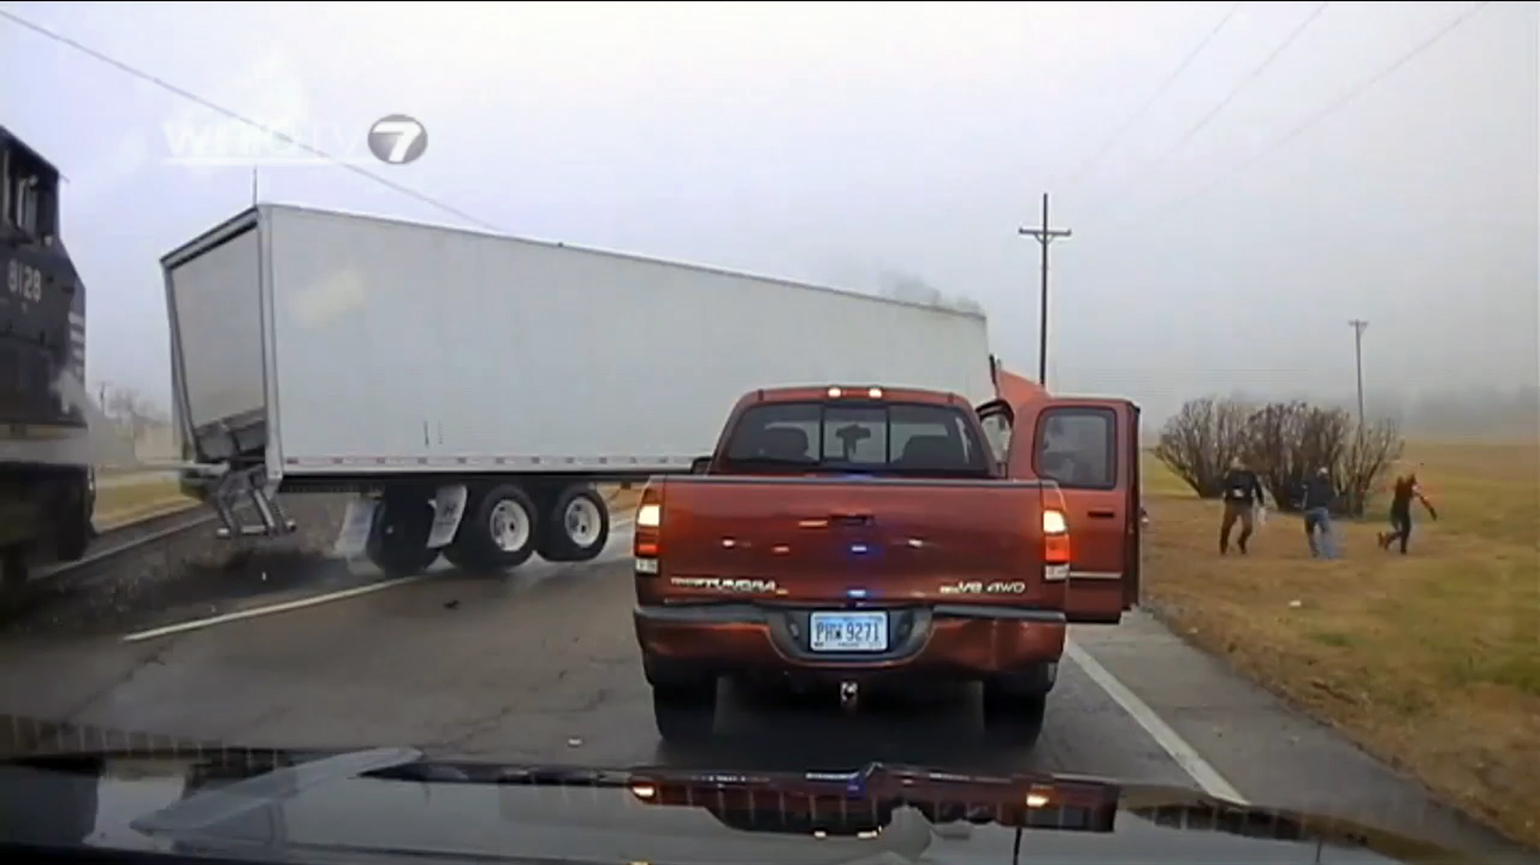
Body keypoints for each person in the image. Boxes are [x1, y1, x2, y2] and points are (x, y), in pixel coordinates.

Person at [1379, 468, 1437, 554]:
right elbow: (1423, 499)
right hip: (1401, 512)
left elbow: (1389, 488)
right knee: (1405, 530)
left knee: (1404, 530)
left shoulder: (1401, 487)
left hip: (1397, 511)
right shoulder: (1409, 490)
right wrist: (1431, 510)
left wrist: (1431, 509)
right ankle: (1390, 540)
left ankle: (1389, 540)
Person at [1219, 457, 1267, 555]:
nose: (1234, 464)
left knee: (1248, 527)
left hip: (1245, 502)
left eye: (1236, 462)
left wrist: (1261, 503)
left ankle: (1241, 541)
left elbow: (1257, 488)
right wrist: (1232, 492)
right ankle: (1223, 543)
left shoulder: (1251, 475)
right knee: (1227, 524)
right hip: (1232, 501)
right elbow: (1225, 486)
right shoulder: (1230, 474)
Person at [1298, 466, 1339, 559]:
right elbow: (1333, 496)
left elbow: (1303, 485)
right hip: (1321, 510)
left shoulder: (1311, 482)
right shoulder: (1329, 486)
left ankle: (1314, 552)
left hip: (1309, 510)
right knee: (1325, 532)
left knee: (1310, 532)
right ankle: (1328, 553)